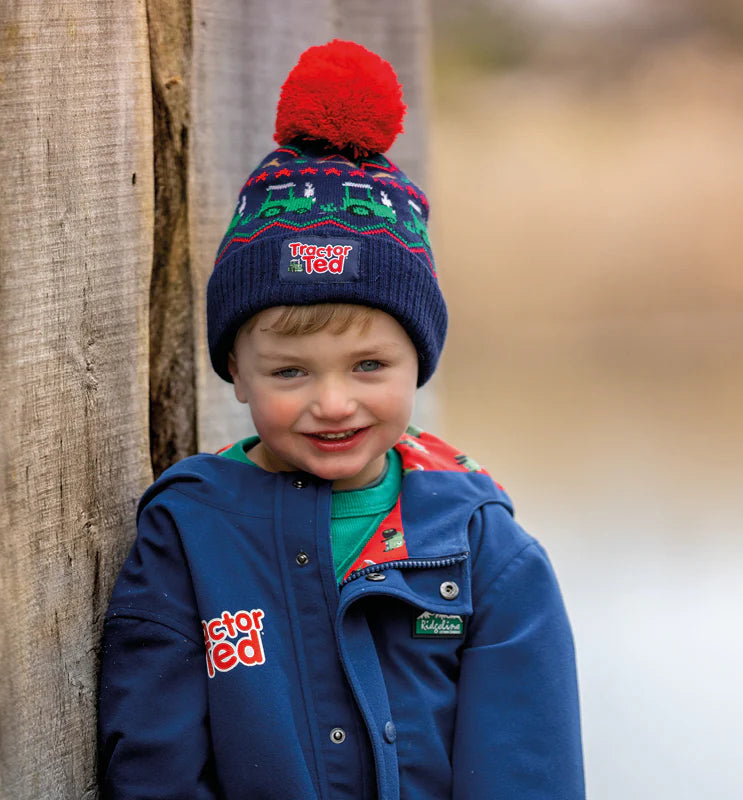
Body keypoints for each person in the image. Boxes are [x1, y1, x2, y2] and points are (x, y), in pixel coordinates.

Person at [98, 40, 585, 799]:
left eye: (369, 367)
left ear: (417, 364)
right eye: (290, 372)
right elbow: (154, 757)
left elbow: (529, 766)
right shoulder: (189, 531)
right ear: (236, 372)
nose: (332, 402)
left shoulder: (484, 548)